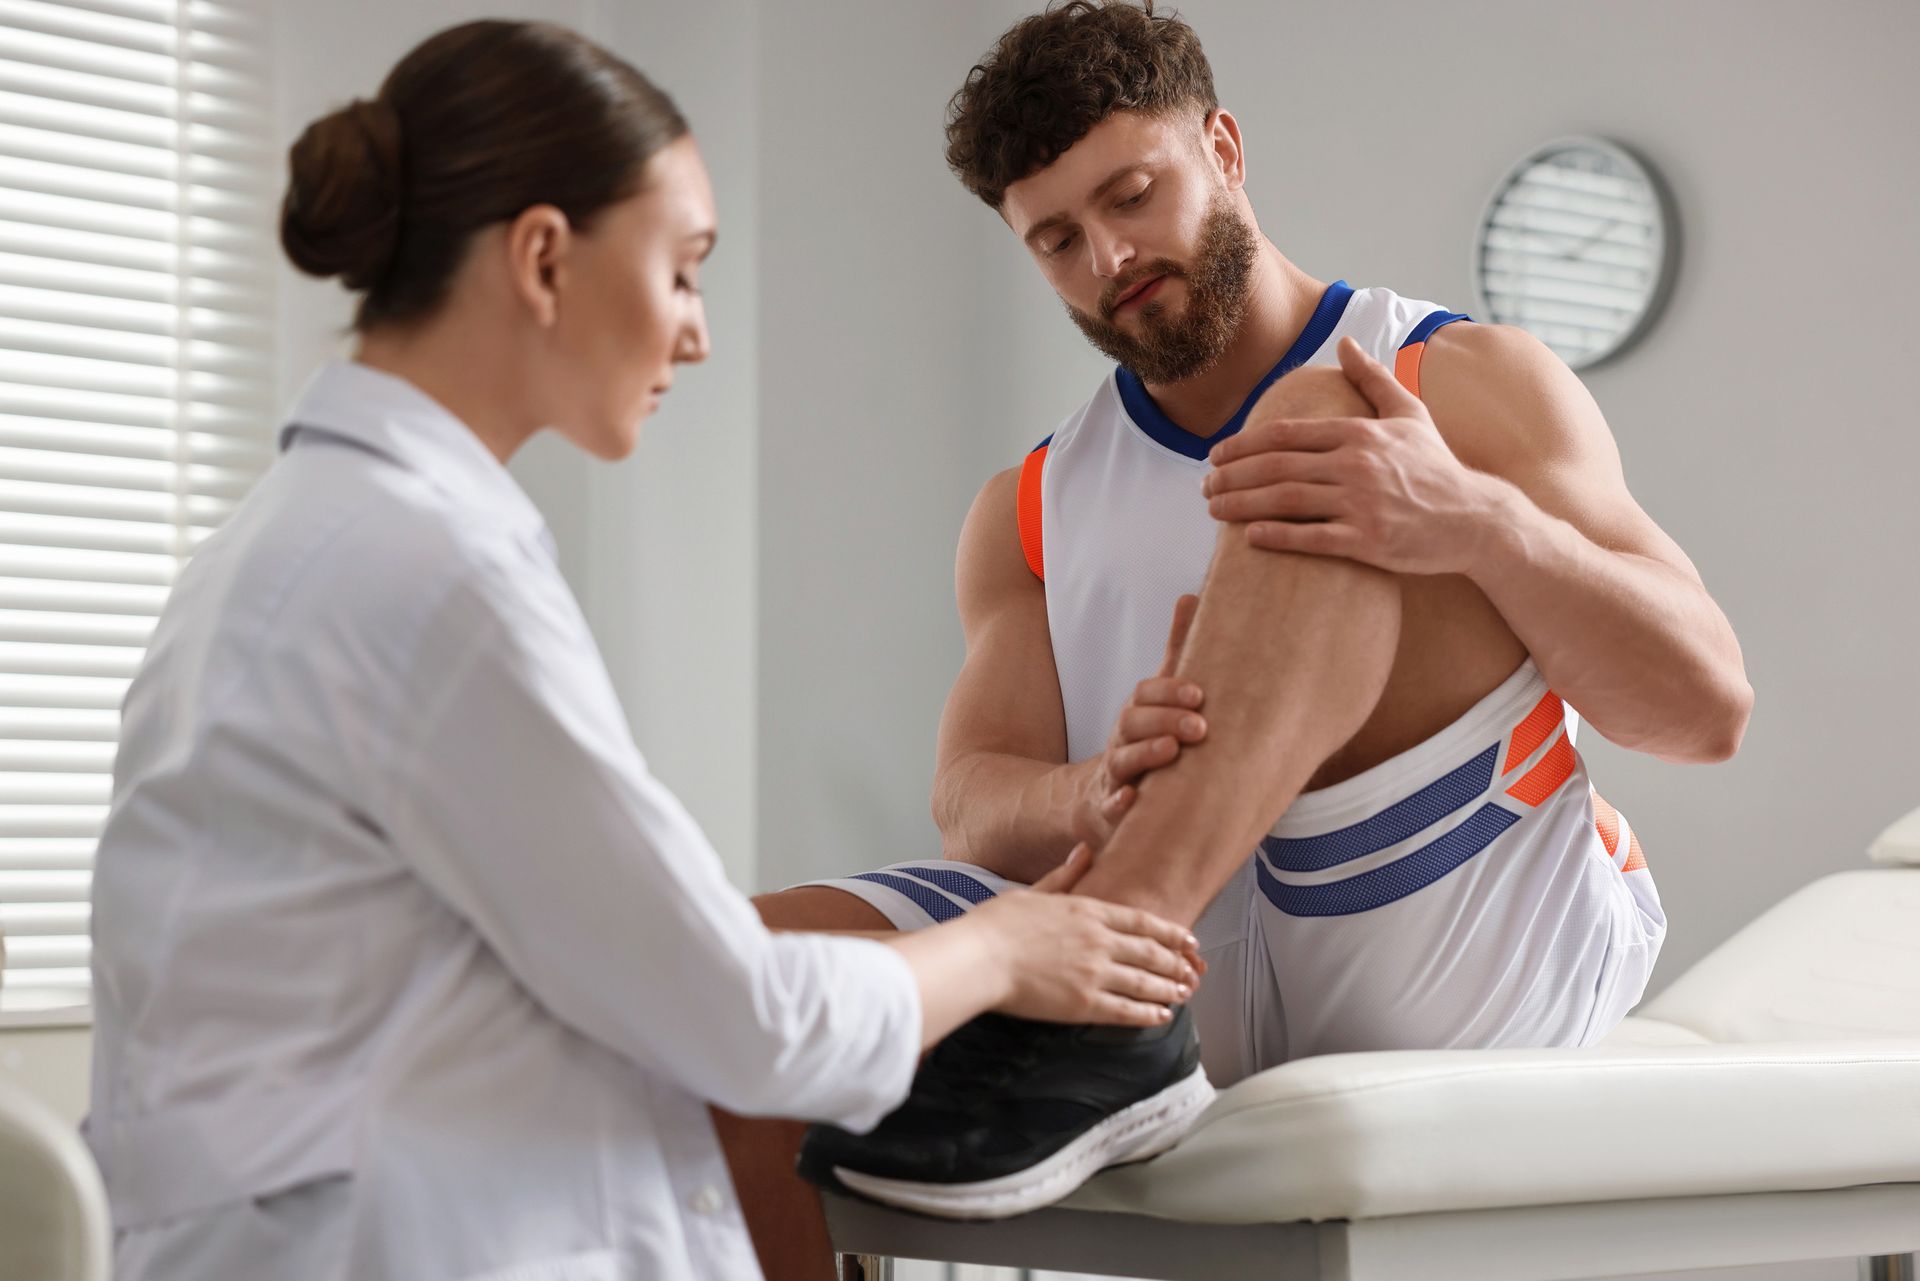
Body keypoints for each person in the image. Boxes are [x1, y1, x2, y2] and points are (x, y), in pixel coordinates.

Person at [80, 20, 1203, 1281]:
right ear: (545, 258)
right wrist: (1008, 948)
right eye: (682, 270)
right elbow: (744, 1020)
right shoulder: (431, 578)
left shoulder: (270, 551)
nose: (697, 333)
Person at [722, 0, 1752, 1246]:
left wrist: (1476, 522)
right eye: (1056, 238)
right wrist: (1090, 789)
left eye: (1134, 195)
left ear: (1222, 147)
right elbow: (973, 801)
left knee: (1326, 421)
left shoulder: (1445, 380)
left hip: (1449, 917)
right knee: (735, 988)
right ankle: (1122, 975)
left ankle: (1119, 965)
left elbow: (1705, 711)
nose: (1106, 257)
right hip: (1177, 983)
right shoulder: (1030, 505)